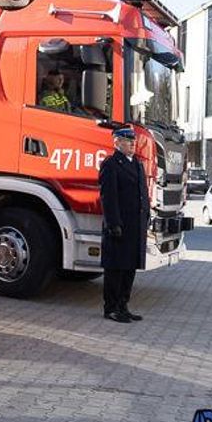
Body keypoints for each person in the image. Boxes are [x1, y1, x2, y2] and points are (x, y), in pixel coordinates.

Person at [98, 126, 149, 323]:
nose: (132, 144)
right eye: (128, 141)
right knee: (116, 268)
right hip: (119, 225)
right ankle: (111, 308)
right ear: (117, 142)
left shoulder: (136, 163)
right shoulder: (111, 164)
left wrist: (146, 213)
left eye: (133, 141)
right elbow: (108, 197)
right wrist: (113, 223)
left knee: (129, 268)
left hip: (135, 224)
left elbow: (141, 191)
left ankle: (123, 305)